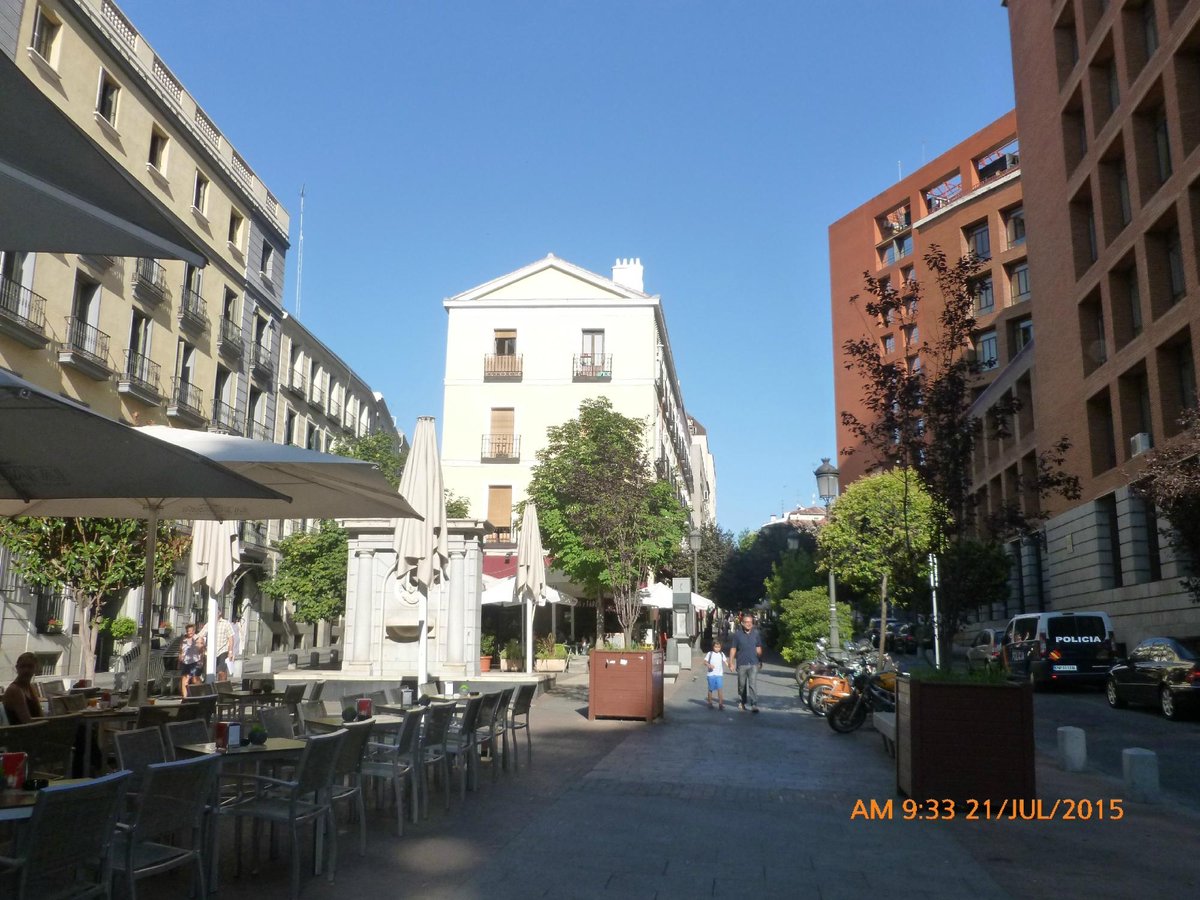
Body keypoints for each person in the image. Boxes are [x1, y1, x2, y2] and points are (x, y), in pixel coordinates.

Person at [728, 613, 763, 713]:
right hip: (742, 663)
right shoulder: (737, 635)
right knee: (741, 685)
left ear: (752, 623)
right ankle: (742, 702)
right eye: (746, 622)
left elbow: (759, 648)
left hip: (754, 663)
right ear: (742, 623)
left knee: (752, 684)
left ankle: (754, 704)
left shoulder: (756, 634)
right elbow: (733, 649)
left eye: (750, 622)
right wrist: (731, 662)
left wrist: (760, 660)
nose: (748, 624)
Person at [3, 652, 44, 723]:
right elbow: (27, 722)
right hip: (22, 732)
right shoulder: (15, 690)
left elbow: (40, 715)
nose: (26, 670)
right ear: (17, 668)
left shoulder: (31, 687)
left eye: (30, 666)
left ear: (36, 668)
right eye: (22, 666)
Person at [199, 610, 235, 681]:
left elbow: (231, 638)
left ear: (219, 613)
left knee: (221, 672)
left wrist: (230, 652)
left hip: (222, 651)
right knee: (209, 672)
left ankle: (222, 689)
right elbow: (200, 635)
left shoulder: (226, 623)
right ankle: (210, 689)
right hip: (210, 652)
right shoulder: (209, 624)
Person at [178, 623, 204, 696]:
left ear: (194, 630)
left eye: (191, 631)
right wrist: (180, 657)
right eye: (188, 631)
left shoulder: (198, 638)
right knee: (184, 680)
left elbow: (202, 650)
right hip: (186, 661)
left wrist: (201, 660)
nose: (190, 632)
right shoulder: (183, 639)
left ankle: (200, 693)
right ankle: (185, 697)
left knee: (195, 679)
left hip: (195, 661)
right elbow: (181, 649)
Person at [704, 639, 728, 710]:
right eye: (715, 647)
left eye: (719, 647)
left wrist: (730, 666)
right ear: (713, 647)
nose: (717, 649)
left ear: (721, 647)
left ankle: (720, 704)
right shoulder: (710, 653)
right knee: (710, 689)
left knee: (720, 689)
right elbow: (705, 662)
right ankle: (710, 702)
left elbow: (725, 661)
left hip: (719, 675)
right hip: (711, 675)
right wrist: (709, 665)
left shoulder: (721, 654)